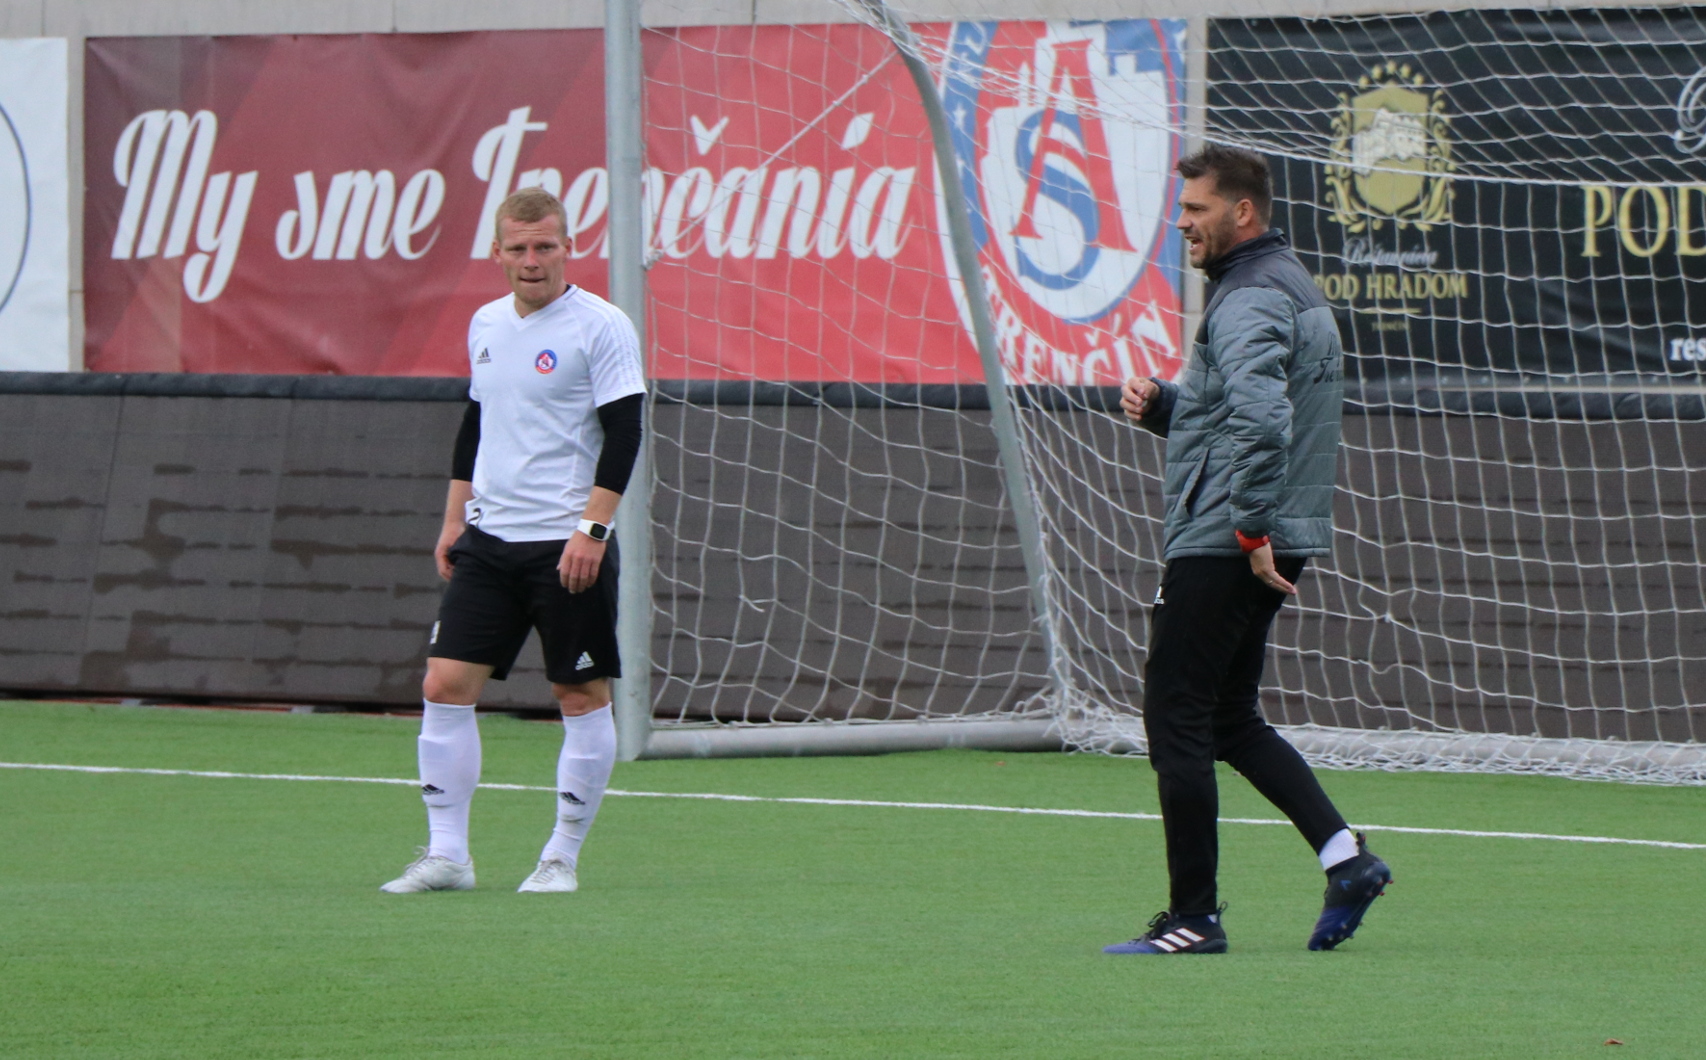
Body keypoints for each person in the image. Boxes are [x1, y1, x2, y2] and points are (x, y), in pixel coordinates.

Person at [1105, 145, 1390, 953]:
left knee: (1176, 714)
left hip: (1231, 535)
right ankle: (1345, 859)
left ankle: (1193, 918)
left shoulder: (1250, 295)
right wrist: (1167, 407)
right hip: (1261, 528)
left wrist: (1252, 529)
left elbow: (1265, 421)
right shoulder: (1281, 283)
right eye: (1182, 208)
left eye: (1196, 209)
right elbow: (1242, 408)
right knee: (1226, 715)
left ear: (1242, 212)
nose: (1182, 223)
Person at [381, 187, 645, 895]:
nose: (532, 260)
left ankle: (561, 857)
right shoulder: (487, 322)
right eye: (519, 248)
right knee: (444, 685)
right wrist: (453, 519)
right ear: (497, 252)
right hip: (489, 540)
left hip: (566, 544)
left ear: (568, 248)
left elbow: (625, 431)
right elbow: (477, 422)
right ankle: (448, 857)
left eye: (545, 246)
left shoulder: (601, 326)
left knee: (579, 694)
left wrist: (592, 529)